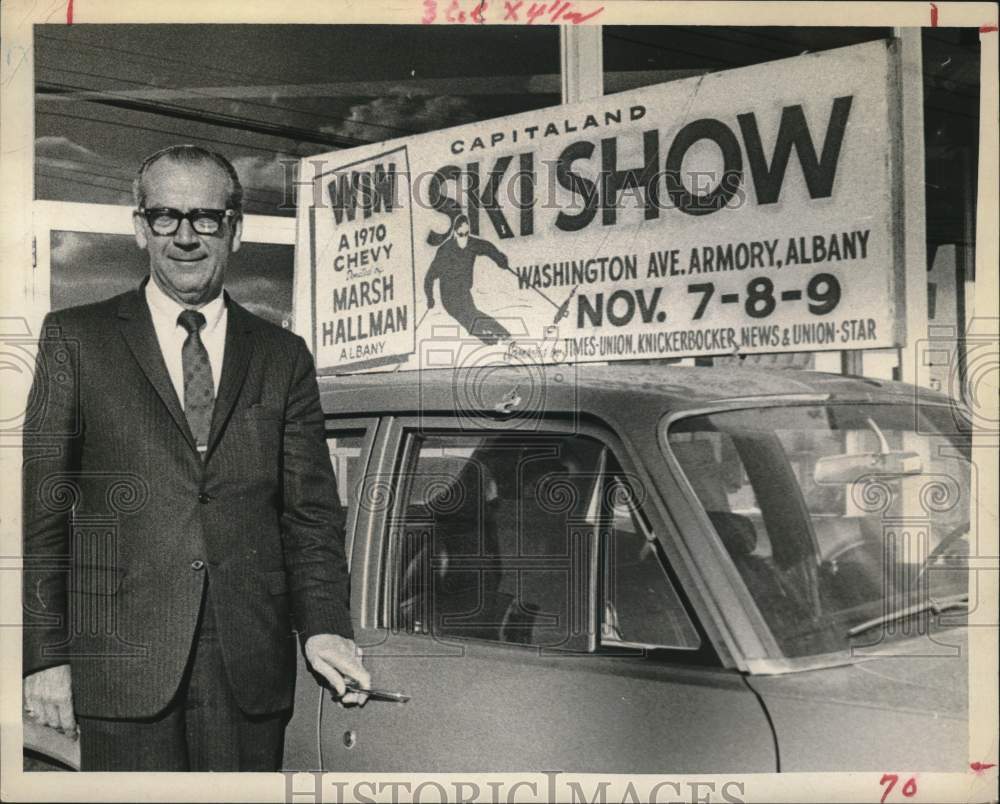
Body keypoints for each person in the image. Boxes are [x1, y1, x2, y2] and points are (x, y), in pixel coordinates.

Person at [21, 144, 370, 771]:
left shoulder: (282, 356)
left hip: (248, 670)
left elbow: (311, 515)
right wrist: (46, 657)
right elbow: (46, 511)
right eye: (166, 217)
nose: (185, 237)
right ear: (140, 227)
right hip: (121, 666)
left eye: (206, 218)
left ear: (234, 230)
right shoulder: (75, 338)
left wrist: (323, 624)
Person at [424, 214, 511, 345]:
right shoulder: (445, 251)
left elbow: (488, 248)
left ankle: (503, 335)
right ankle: (493, 342)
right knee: (468, 320)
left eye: (466, 233)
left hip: (464, 292)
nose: (464, 238)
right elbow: (429, 277)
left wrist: (500, 259)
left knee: (474, 314)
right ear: (455, 232)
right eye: (461, 234)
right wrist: (430, 298)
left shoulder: (471, 244)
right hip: (449, 296)